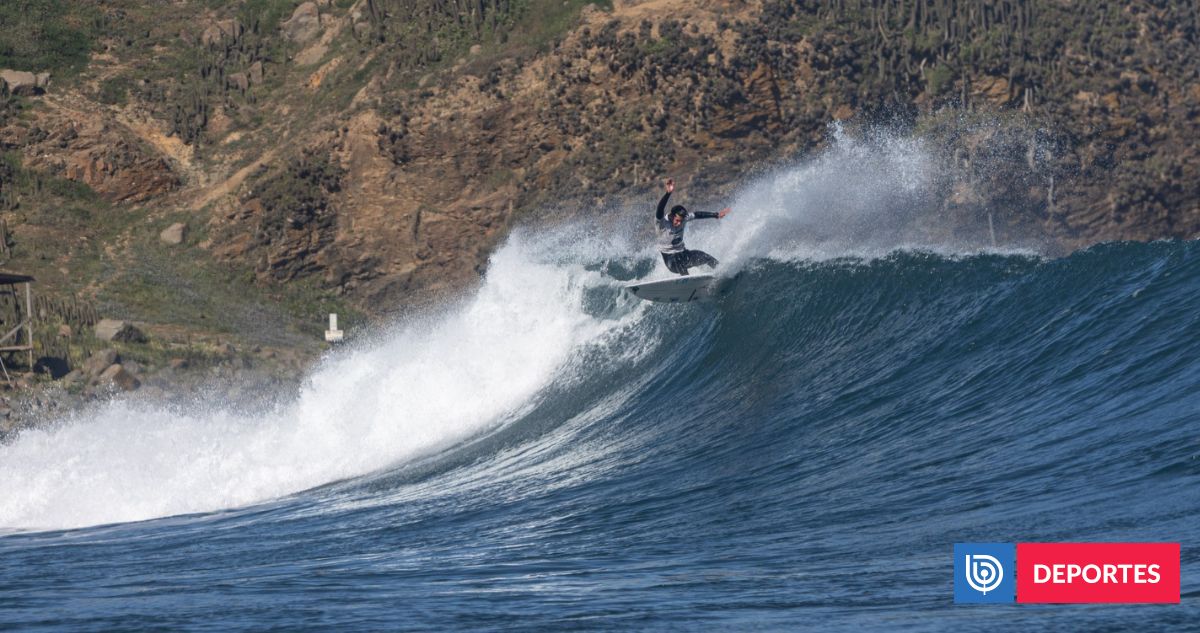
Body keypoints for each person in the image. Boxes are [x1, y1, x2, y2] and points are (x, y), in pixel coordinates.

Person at [655, 178, 731, 276]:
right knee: (678, 260)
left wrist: (716, 215)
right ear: (671, 215)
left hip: (683, 254)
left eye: (681, 221)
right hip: (671, 260)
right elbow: (659, 209)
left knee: (704, 256)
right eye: (677, 220)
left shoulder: (684, 218)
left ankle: (724, 273)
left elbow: (697, 214)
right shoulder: (662, 223)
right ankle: (686, 281)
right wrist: (668, 193)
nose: (679, 223)